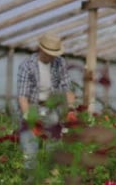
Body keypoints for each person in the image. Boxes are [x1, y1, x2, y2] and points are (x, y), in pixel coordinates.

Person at [17, 32, 76, 171]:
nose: (53, 56)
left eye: (55, 53)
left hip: (51, 108)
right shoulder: (27, 65)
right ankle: (30, 178)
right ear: (41, 49)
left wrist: (71, 110)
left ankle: (52, 178)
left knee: (53, 147)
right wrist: (30, 120)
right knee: (30, 149)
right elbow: (22, 96)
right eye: (50, 53)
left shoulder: (60, 62)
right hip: (31, 108)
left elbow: (67, 88)